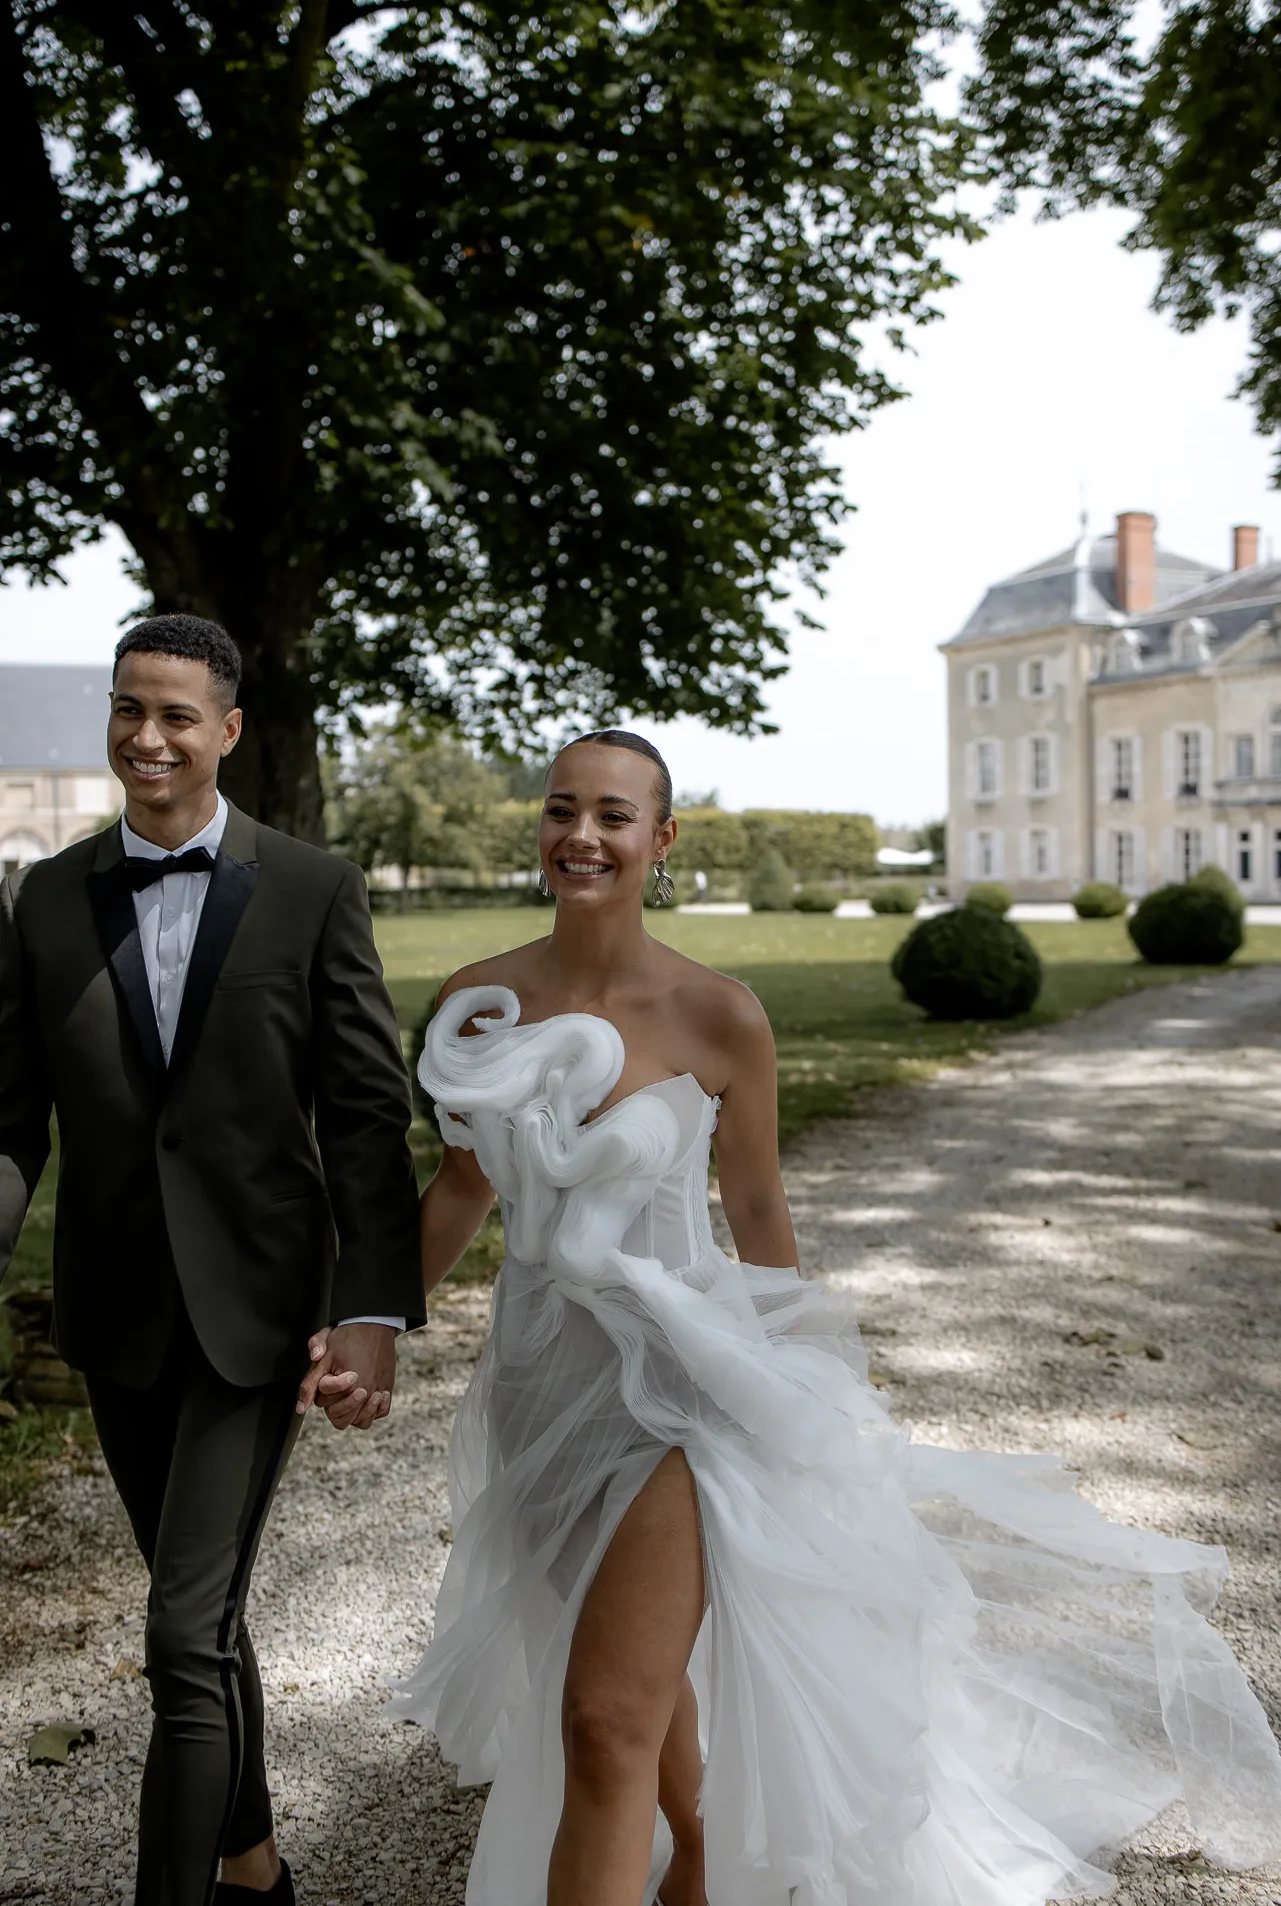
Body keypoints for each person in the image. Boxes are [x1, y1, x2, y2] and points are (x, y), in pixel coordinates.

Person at [334, 725, 1281, 1906]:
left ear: (662, 838)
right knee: (624, 1677)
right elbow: (463, 1188)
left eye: (614, 815)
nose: (582, 835)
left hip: (677, 1387)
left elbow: (756, 1204)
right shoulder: (482, 1002)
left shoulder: (718, 1013)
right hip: (535, 1386)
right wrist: (372, 1326)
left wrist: (801, 1378)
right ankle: (695, 1853)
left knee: (602, 1717)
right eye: (561, 808)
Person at [0, 616, 424, 1906]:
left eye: (177, 714)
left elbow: (365, 1118)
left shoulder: (313, 887)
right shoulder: (45, 896)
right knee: (209, 1619)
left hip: (260, 1316)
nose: (148, 736)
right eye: (129, 709)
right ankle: (256, 1871)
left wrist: (371, 1308)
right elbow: (13, 1118)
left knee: (182, 1635)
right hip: (117, 1316)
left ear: (228, 731)